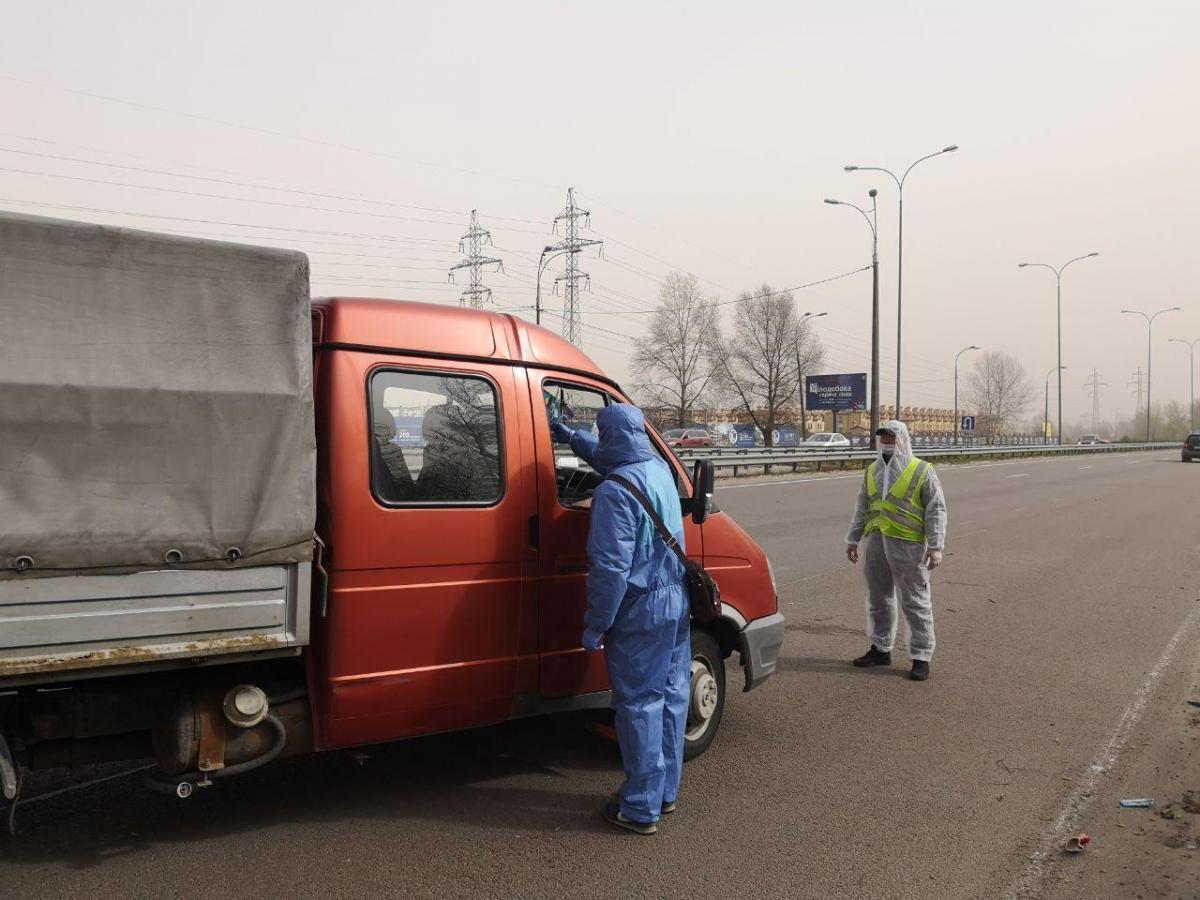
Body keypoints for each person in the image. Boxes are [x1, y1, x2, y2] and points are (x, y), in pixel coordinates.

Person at [551, 404, 690, 836]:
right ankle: (664, 794)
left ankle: (639, 809)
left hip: (639, 609)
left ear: (612, 437)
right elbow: (610, 455)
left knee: (639, 706)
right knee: (670, 697)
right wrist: (570, 435)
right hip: (675, 599)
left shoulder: (613, 493)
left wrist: (597, 622)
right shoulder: (657, 469)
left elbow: (611, 569)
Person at [845, 420, 947, 681]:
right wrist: (853, 538)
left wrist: (936, 546)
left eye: (891, 439)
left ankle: (921, 656)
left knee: (915, 601)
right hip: (876, 543)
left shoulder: (922, 470)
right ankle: (881, 648)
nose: (887, 444)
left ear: (902, 439)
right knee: (878, 598)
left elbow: (936, 509)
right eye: (884, 439)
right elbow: (862, 507)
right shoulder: (872, 471)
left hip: (909, 546)